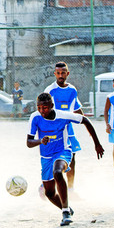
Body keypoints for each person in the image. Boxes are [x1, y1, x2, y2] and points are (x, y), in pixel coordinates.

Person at [27, 92, 104, 226]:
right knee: (49, 193)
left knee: (57, 172)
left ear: (52, 105)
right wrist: (40, 141)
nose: (42, 111)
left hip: (63, 152)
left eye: (45, 108)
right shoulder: (35, 117)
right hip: (46, 157)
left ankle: (65, 213)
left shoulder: (63, 116)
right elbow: (29, 142)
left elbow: (85, 120)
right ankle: (66, 207)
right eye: (39, 107)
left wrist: (97, 144)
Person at [44, 61, 83, 190]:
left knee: (72, 158)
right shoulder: (50, 90)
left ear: (67, 73)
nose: (61, 75)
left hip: (68, 129)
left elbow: (76, 108)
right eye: (58, 73)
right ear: (54, 74)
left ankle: (71, 188)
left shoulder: (72, 90)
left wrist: (85, 122)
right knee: (54, 160)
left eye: (63, 73)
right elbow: (43, 111)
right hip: (53, 130)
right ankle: (48, 186)